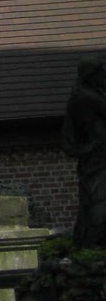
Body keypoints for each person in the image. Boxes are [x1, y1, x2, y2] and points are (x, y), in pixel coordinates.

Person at [62, 56, 106, 248]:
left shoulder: (93, 92)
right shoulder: (84, 96)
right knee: (97, 204)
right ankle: (90, 246)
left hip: (99, 156)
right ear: (92, 76)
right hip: (97, 158)